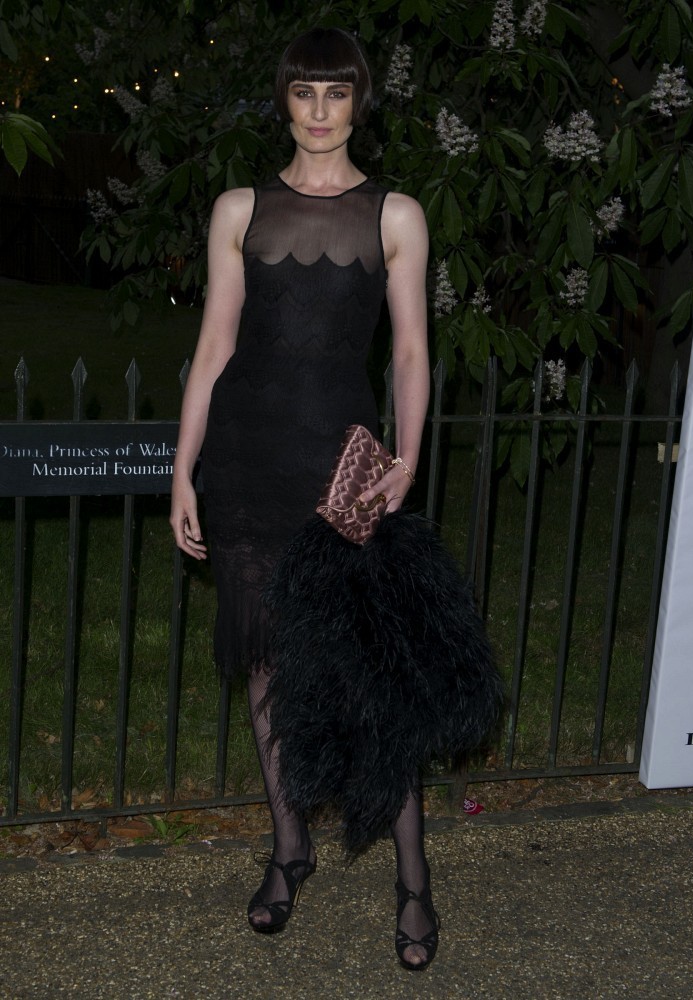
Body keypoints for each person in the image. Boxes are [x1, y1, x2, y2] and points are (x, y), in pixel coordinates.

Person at [170, 27, 437, 969]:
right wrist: (182, 471)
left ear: (360, 102)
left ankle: (413, 877)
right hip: (248, 460)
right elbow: (213, 347)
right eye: (303, 93)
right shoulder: (238, 209)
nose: (320, 112)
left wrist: (407, 456)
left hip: (345, 466)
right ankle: (290, 850)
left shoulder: (395, 214)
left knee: (369, 677)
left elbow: (411, 350)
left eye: (337, 93)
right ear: (283, 101)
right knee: (267, 667)